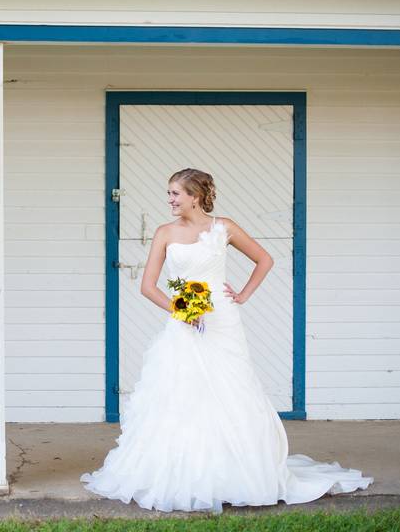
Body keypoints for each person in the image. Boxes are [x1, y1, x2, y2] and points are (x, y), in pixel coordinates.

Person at [81, 168, 372, 512]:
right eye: (169, 194)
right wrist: (182, 309)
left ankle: (237, 471)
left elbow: (265, 259)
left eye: (176, 193)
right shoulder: (164, 233)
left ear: (196, 196)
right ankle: (185, 472)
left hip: (222, 321)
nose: (170, 200)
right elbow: (147, 286)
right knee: (182, 391)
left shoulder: (225, 227)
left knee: (230, 388)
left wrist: (244, 294)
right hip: (184, 321)